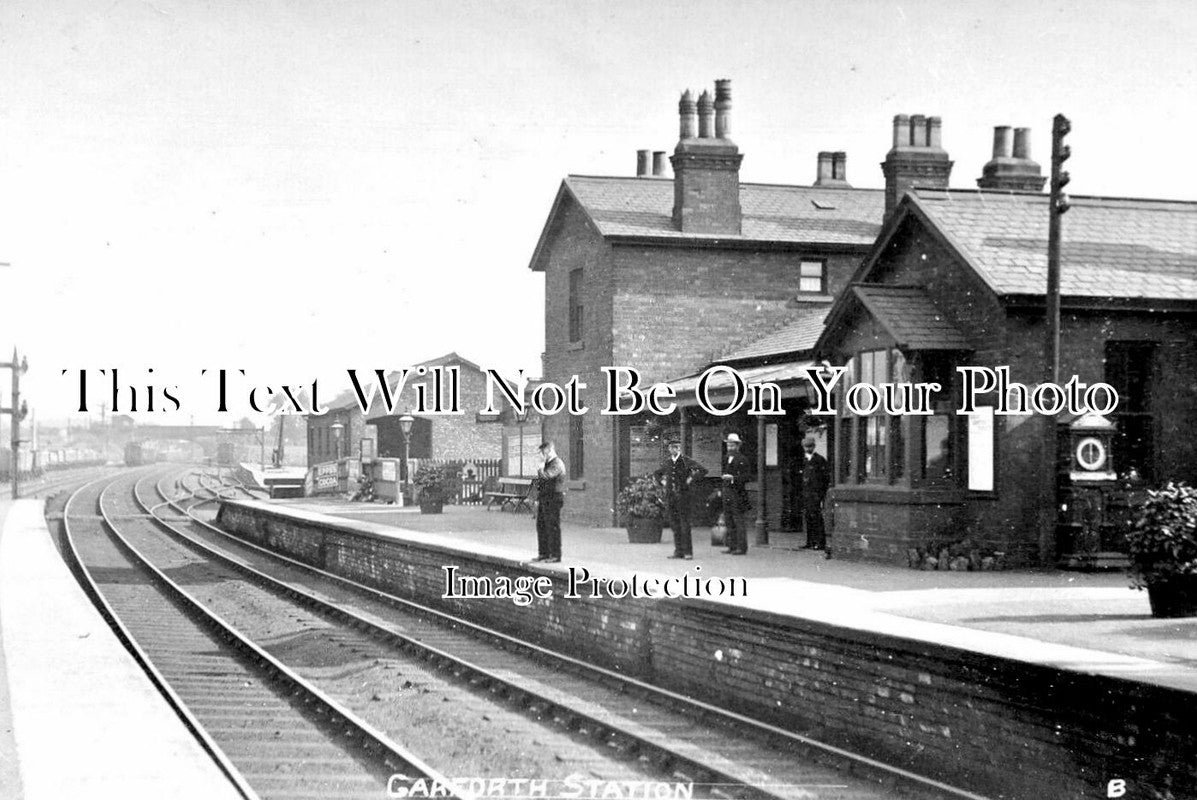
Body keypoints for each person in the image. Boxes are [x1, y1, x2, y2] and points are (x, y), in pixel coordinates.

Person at [653, 436, 708, 559]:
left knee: (684, 524)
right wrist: (662, 482)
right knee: (674, 524)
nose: (675, 449)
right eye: (672, 447)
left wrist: (690, 479)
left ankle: (688, 552)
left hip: (683, 496)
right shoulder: (667, 462)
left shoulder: (685, 461)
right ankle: (678, 551)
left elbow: (703, 470)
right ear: (669, 449)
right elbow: (657, 473)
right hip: (671, 497)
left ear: (680, 448)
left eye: (677, 447)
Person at [532, 440, 565, 563]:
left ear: (550, 451)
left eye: (543, 451)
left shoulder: (557, 463)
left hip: (554, 498)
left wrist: (540, 466)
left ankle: (555, 555)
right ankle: (544, 553)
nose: (541, 454)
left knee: (552, 526)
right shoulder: (547, 463)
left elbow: (547, 477)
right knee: (541, 525)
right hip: (545, 498)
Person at [720, 433, 753, 555]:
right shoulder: (725, 458)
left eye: (732, 445)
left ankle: (741, 547)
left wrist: (733, 478)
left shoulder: (743, 459)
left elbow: (747, 477)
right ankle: (732, 546)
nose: (730, 448)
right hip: (727, 492)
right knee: (729, 520)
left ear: (738, 446)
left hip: (737, 494)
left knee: (738, 520)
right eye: (728, 445)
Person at [801, 436, 830, 550]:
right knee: (808, 517)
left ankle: (819, 542)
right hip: (806, 493)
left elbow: (825, 478)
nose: (808, 449)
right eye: (806, 446)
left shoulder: (819, 460)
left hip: (816, 494)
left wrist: (821, 494)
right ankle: (810, 541)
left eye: (810, 446)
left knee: (817, 518)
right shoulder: (802, 460)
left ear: (814, 447)